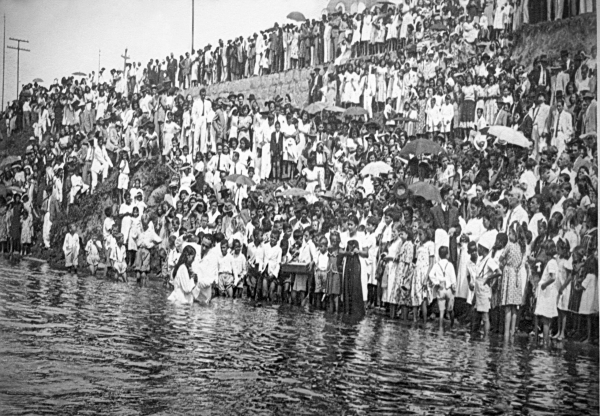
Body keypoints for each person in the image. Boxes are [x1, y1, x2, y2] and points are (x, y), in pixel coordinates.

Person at [429, 246, 457, 330]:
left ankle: (440, 329)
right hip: (449, 290)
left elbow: (431, 275)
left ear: (439, 255)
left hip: (441, 289)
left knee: (441, 312)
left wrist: (437, 282)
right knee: (451, 310)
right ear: (447, 255)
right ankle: (452, 326)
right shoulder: (450, 265)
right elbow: (453, 279)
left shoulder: (436, 265)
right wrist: (454, 289)